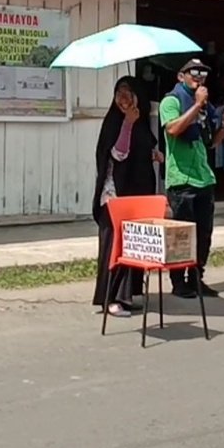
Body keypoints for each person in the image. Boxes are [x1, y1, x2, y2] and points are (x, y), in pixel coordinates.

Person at [160, 59, 224, 299]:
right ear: (180, 76)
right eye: (193, 73)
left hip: (204, 178)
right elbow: (173, 129)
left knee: (204, 234)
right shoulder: (171, 101)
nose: (199, 77)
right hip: (181, 179)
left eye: (203, 74)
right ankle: (178, 281)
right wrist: (196, 105)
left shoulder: (205, 107)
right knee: (180, 235)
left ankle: (196, 278)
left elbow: (209, 142)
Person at [92, 76, 163, 317]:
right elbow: (118, 154)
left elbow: (142, 148)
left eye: (128, 93)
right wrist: (128, 124)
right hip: (115, 198)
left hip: (136, 196)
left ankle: (128, 295)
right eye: (118, 94)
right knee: (116, 248)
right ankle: (112, 299)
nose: (122, 99)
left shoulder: (141, 123)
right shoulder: (115, 122)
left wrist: (154, 154)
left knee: (134, 245)